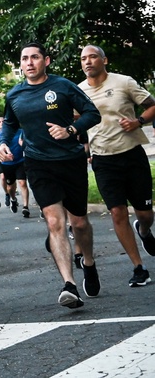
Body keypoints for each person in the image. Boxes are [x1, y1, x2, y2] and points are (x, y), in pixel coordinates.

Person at [0, 42, 101, 309]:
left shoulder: (63, 86)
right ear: (20, 64)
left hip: (70, 160)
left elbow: (93, 113)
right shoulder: (14, 95)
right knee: (55, 222)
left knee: (79, 223)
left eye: (34, 57)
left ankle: (88, 262)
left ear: (46, 61)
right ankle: (69, 285)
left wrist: (71, 130)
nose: (29, 62)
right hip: (38, 163)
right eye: (24, 59)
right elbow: (9, 123)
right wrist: (4, 142)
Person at [79, 45, 155, 287]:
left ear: (104, 59)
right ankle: (138, 266)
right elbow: (76, 122)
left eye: (92, 56)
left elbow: (151, 105)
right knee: (117, 212)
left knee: (144, 213)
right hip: (102, 160)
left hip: (132, 155)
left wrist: (139, 121)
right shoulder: (78, 92)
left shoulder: (124, 82)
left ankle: (143, 230)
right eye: (83, 59)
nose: (87, 62)